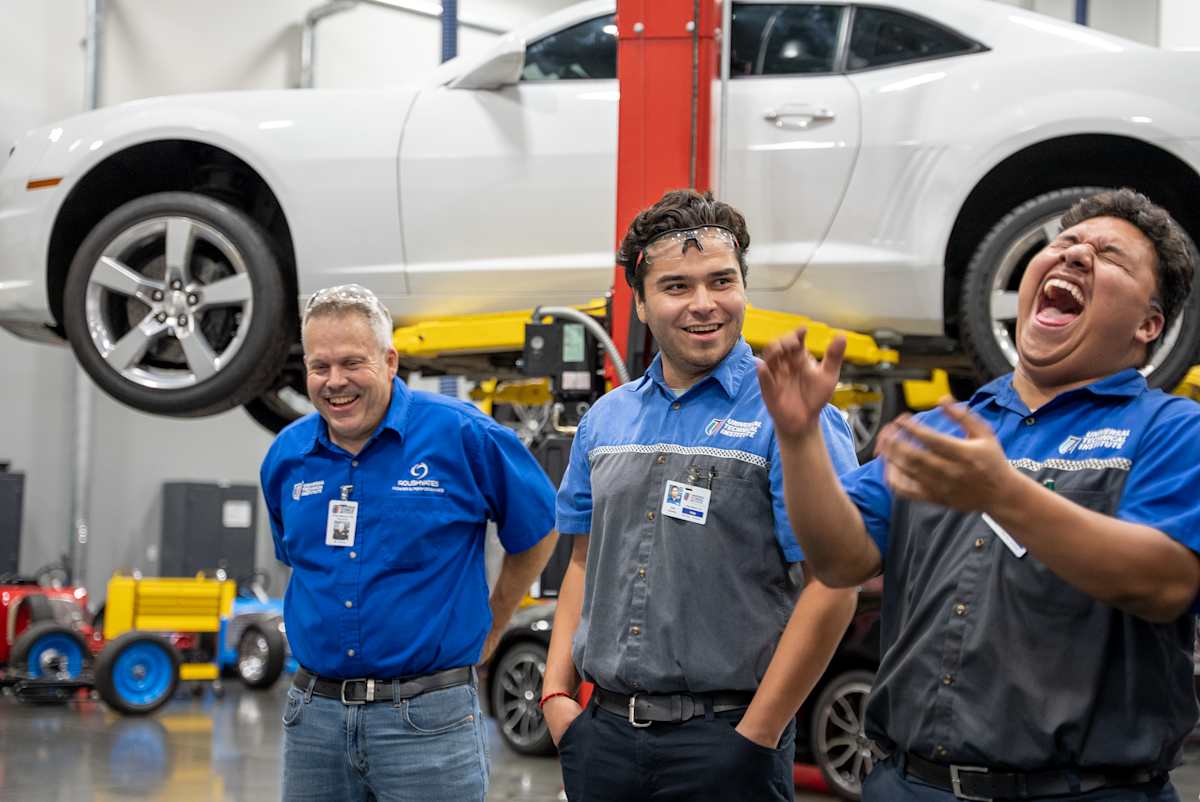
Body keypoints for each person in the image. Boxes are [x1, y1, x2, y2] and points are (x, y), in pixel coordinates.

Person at [758, 188, 1200, 801]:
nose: (1075, 254)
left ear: (1149, 324)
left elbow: (1164, 583)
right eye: (1067, 242)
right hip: (907, 786)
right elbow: (838, 561)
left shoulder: (1172, 430)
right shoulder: (944, 428)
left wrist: (1003, 493)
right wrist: (799, 437)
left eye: (1109, 256)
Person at [541, 189, 861, 802]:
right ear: (640, 303)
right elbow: (583, 560)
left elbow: (834, 584)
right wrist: (557, 696)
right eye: (677, 286)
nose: (704, 304)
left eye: (722, 281)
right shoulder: (605, 420)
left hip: (729, 739)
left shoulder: (791, 415)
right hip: (602, 736)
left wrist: (758, 733)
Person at [260, 284, 558, 802]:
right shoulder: (287, 456)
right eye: (319, 366)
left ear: (390, 361)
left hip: (428, 721)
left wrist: (496, 621)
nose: (335, 381)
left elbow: (540, 528)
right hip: (314, 721)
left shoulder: (462, 435)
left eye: (352, 362)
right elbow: (297, 561)